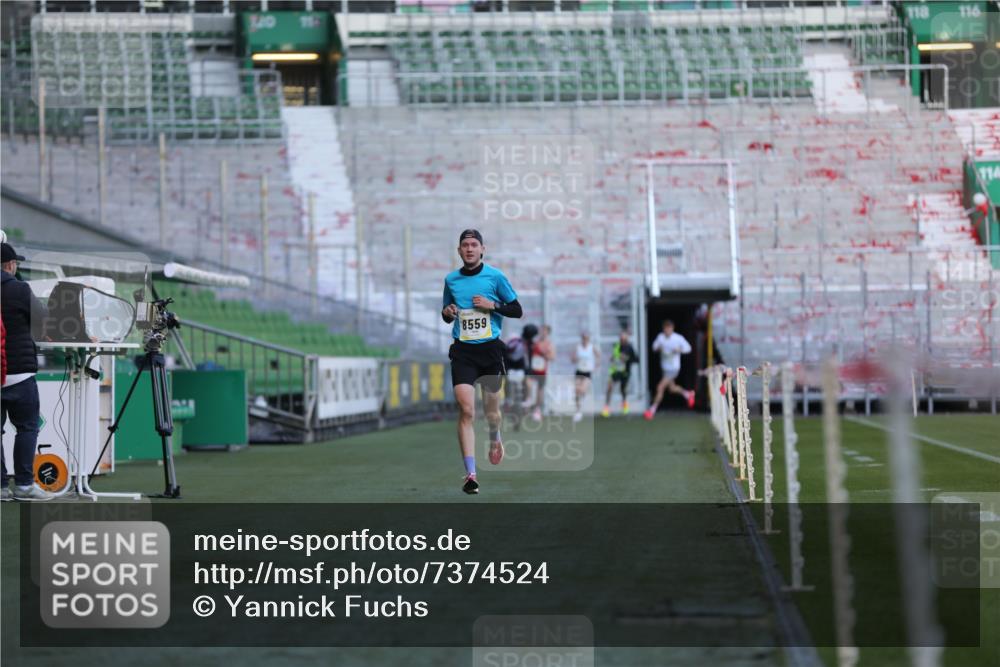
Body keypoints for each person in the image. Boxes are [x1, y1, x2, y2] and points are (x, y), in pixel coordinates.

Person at [442, 230, 522, 494]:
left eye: (474, 245)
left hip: (490, 352)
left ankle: (495, 436)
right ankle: (471, 475)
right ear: (459, 250)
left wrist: (493, 305)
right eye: (465, 245)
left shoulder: (495, 277)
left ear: (482, 249)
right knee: (466, 410)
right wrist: (447, 312)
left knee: (491, 413)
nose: (469, 249)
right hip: (463, 352)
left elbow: (517, 309)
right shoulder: (451, 280)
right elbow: (446, 313)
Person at [1, 242, 53, 501]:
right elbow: (43, 322)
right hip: (18, 372)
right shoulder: (19, 289)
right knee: (26, 428)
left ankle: (0, 488)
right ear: (10, 265)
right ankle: (23, 485)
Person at [644, 319, 695, 420]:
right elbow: (654, 347)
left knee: (660, 387)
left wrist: (679, 350)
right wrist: (659, 348)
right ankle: (688, 394)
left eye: (669, 328)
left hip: (674, 368)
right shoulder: (660, 337)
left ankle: (652, 410)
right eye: (666, 329)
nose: (667, 331)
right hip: (665, 368)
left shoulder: (678, 338)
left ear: (672, 328)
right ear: (664, 329)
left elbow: (689, 348)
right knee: (672, 388)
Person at [602, 329, 639, 417]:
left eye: (624, 337)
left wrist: (627, 359)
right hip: (616, 370)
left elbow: (636, 360)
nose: (622, 339)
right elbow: (614, 356)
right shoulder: (616, 346)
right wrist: (613, 358)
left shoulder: (630, 347)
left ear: (627, 338)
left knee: (623, 389)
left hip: (625, 371)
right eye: (621, 337)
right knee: (609, 386)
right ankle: (606, 407)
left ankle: (624, 402)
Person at [526, 324, 555, 422]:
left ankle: (537, 410)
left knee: (540, 390)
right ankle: (529, 400)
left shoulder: (549, 344)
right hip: (533, 369)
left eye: (545, 331)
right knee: (528, 383)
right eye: (542, 330)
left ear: (548, 333)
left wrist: (544, 354)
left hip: (542, 370)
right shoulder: (535, 342)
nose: (542, 332)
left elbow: (552, 357)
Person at [571, 331, 599, 423]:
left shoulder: (591, 347)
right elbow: (572, 359)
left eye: (586, 338)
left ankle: (583, 397)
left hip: (587, 372)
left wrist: (596, 365)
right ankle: (578, 411)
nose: (585, 340)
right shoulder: (578, 347)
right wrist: (575, 359)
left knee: (582, 390)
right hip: (579, 371)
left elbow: (598, 356)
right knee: (577, 391)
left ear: (589, 338)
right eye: (583, 338)